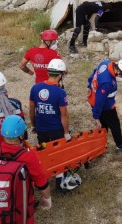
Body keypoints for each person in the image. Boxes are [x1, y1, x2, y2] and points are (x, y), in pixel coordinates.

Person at [0, 116, 52, 219]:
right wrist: (48, 199)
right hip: (18, 205)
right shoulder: (28, 156)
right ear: (22, 135)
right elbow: (40, 181)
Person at [29, 59, 77, 192]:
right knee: (60, 156)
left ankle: (42, 180)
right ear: (60, 75)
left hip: (41, 129)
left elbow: (32, 109)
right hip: (56, 130)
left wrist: (34, 125)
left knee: (44, 154)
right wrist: (66, 133)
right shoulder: (60, 93)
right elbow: (64, 115)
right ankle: (60, 184)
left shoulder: (35, 87)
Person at [87, 59, 122, 153]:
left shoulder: (106, 62)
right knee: (114, 124)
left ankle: (101, 145)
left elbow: (94, 73)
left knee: (104, 125)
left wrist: (89, 86)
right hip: (105, 106)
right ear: (118, 70)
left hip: (94, 99)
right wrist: (96, 117)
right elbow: (100, 101)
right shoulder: (107, 82)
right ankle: (120, 146)